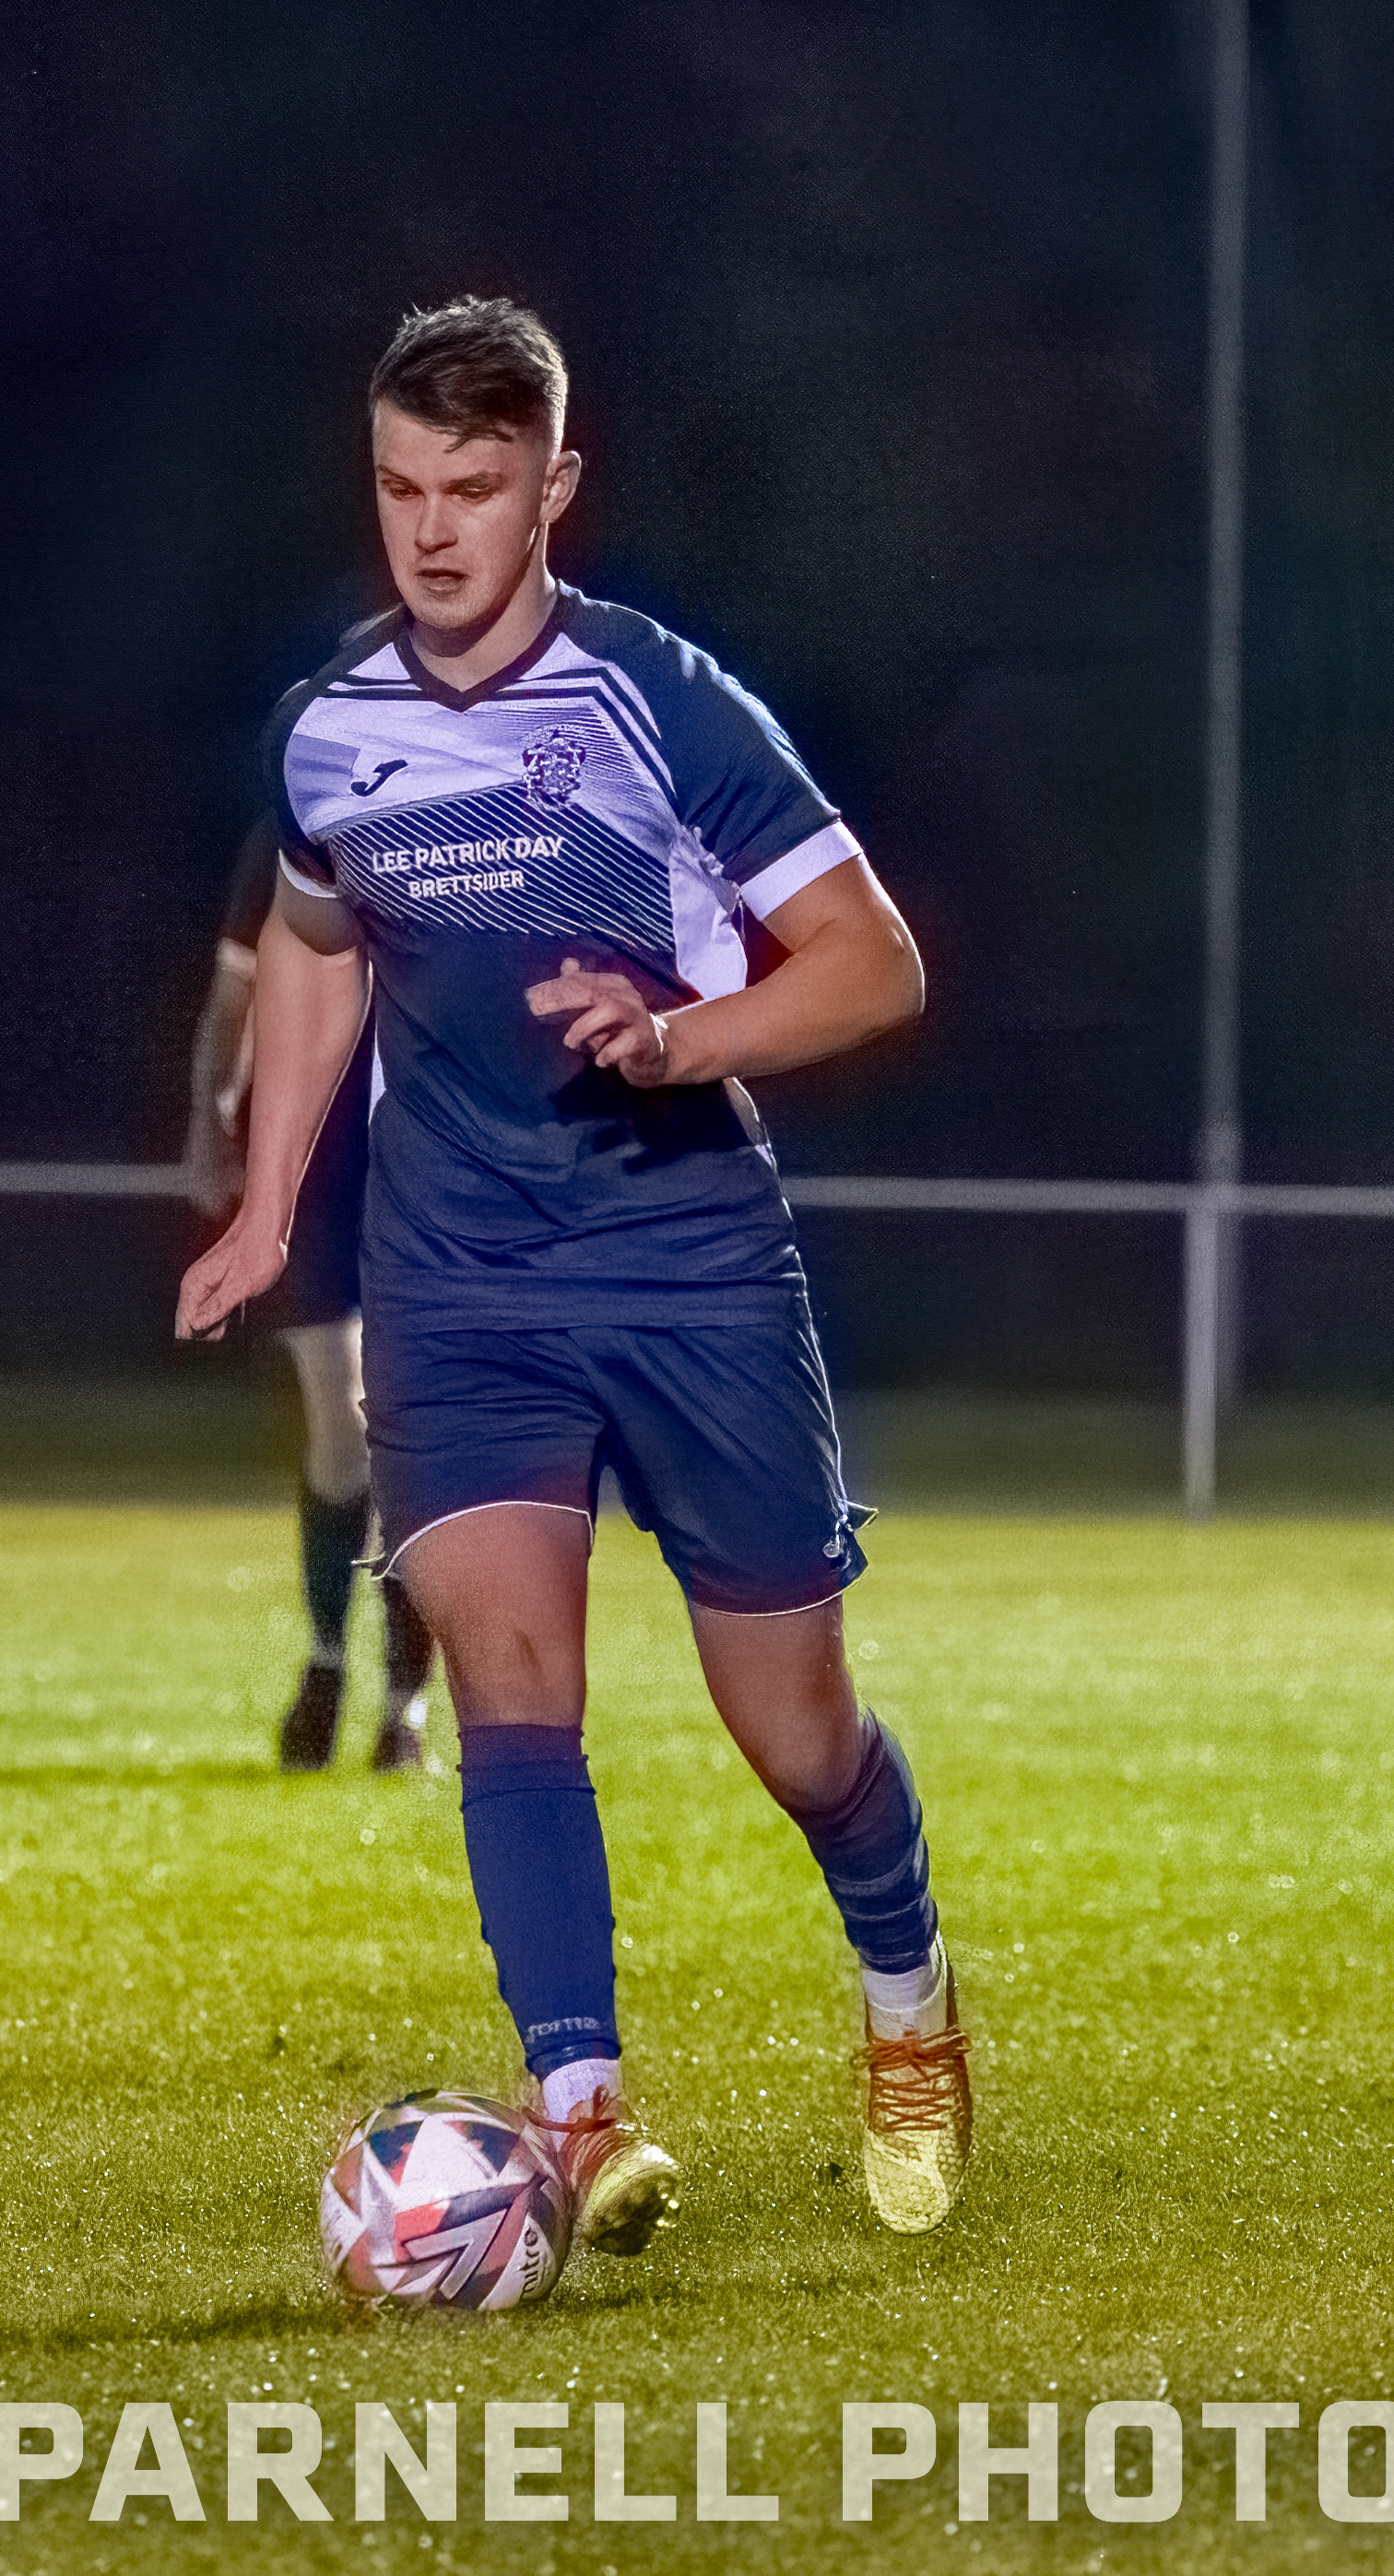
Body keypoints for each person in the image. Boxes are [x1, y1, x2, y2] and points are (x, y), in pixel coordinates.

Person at [177, 295, 972, 2248]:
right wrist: (270, 1207)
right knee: (510, 1671)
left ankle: (909, 2000)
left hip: (687, 1257)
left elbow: (874, 964)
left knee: (795, 1729)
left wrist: (680, 1036)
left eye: (475, 486)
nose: (432, 528)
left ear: (555, 488)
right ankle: (580, 2114)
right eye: (400, 487)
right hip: (457, 1275)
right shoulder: (329, 729)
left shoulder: (663, 707)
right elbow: (317, 949)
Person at [183, 814, 435, 1772]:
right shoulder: (294, 832)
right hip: (316, 1177)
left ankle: (404, 1706)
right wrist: (211, 1115)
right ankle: (328, 1661)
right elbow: (234, 995)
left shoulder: (474, 819)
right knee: (343, 1420)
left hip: (434, 1167)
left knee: (415, 1432)